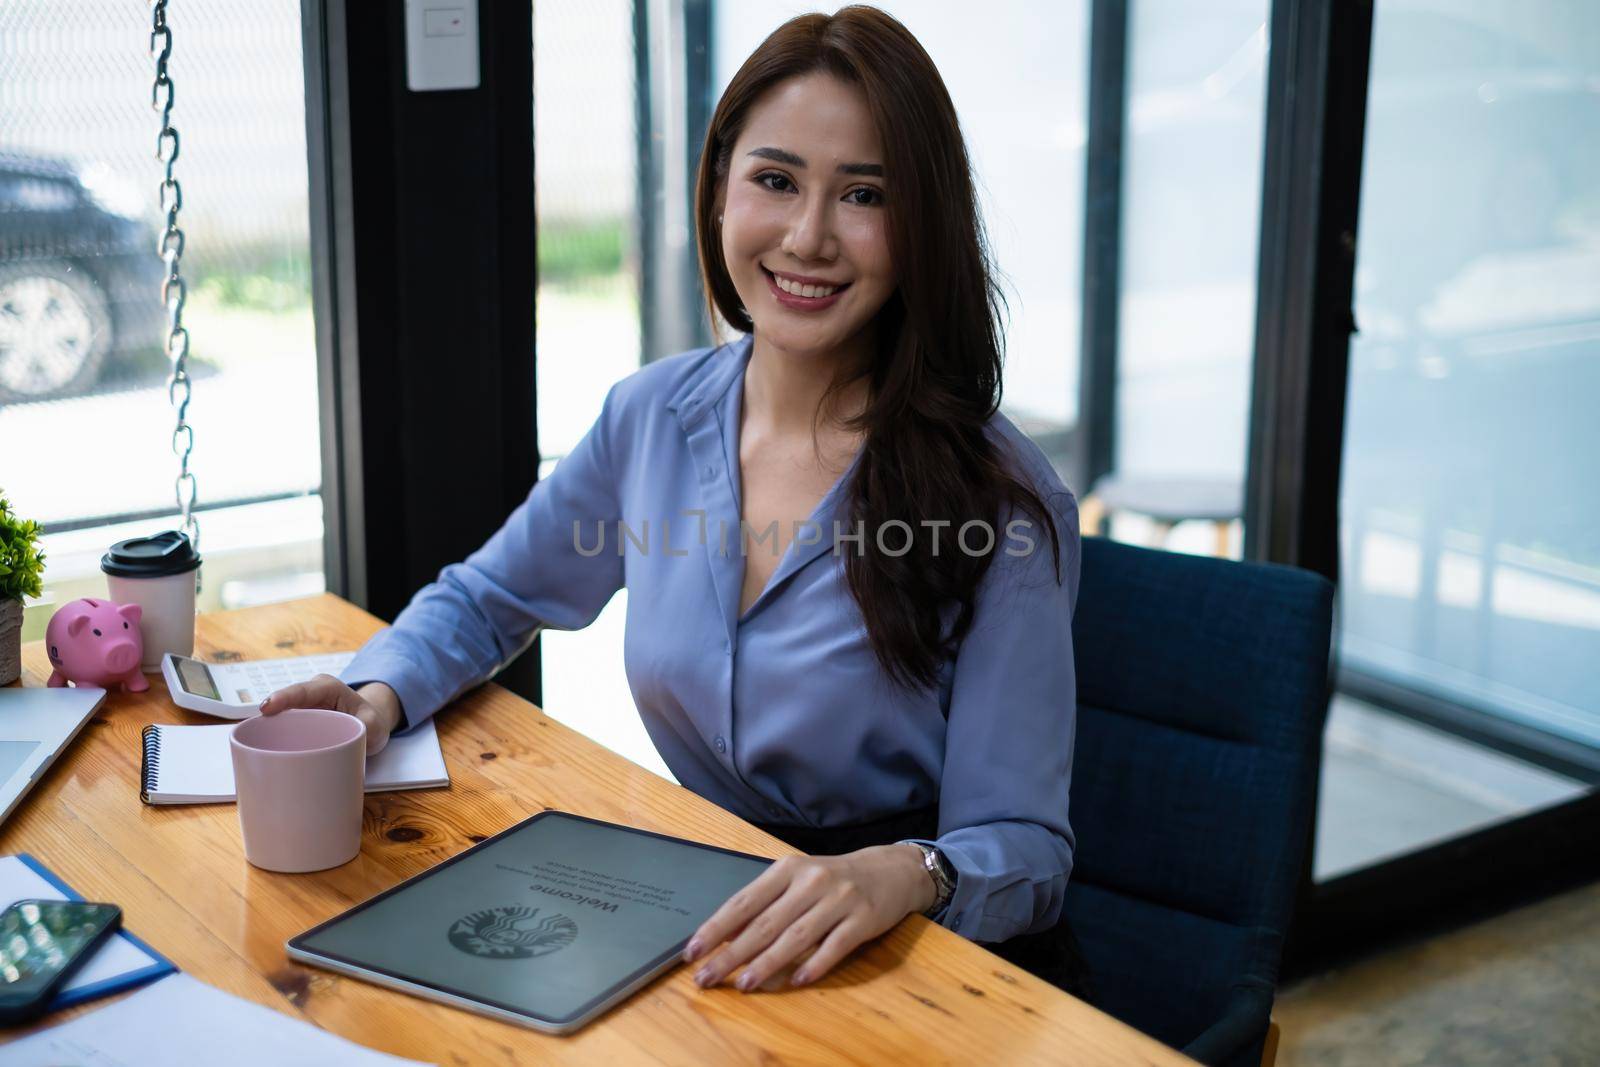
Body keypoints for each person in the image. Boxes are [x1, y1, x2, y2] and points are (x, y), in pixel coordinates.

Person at [261, 4, 1088, 999]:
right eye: (775, 180)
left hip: (902, 958)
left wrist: (913, 871)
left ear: (920, 227)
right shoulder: (650, 416)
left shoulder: (1003, 503)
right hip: (696, 921)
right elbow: (488, 597)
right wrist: (375, 695)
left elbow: (1026, 848)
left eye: (862, 195)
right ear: (719, 192)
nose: (808, 236)